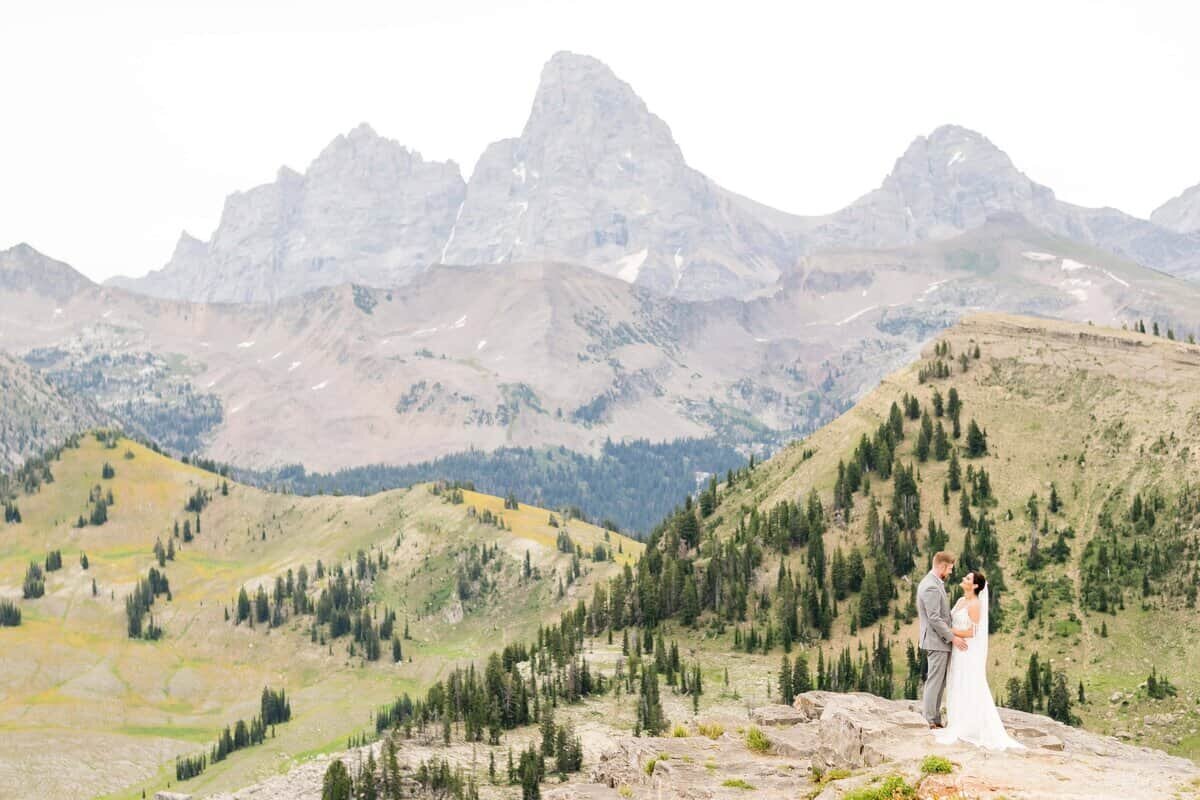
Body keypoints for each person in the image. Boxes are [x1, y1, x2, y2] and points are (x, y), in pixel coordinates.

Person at [934, 570, 1024, 750]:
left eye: (968, 578)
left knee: (969, 683)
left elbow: (972, 632)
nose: (963, 579)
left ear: (975, 585)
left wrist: (949, 632)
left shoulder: (975, 604)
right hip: (958, 649)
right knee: (957, 683)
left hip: (966, 651)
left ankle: (970, 726)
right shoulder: (961, 601)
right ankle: (959, 721)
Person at [917, 551, 966, 728]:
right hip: (936, 641)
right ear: (942, 566)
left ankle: (935, 718)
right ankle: (929, 719)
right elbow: (934, 618)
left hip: (937, 641)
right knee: (935, 680)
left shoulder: (934, 583)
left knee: (939, 681)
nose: (951, 572)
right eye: (950, 569)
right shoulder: (930, 586)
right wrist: (952, 638)